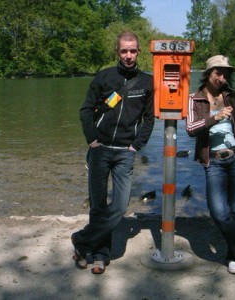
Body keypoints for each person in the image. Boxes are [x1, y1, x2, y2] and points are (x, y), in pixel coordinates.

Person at [71, 31, 154, 275]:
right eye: (124, 51)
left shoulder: (146, 82)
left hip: (124, 153)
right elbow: (86, 110)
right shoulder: (104, 77)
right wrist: (92, 139)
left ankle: (81, 240)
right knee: (98, 206)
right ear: (117, 52)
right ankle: (100, 255)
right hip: (100, 150)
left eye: (133, 50)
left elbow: (149, 118)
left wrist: (136, 145)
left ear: (139, 52)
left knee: (118, 206)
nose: (128, 55)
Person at [186, 55, 235, 274]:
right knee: (218, 211)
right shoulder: (194, 99)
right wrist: (215, 117)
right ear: (208, 73)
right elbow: (191, 128)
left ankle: (233, 256)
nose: (222, 78)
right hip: (213, 161)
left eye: (226, 74)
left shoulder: (231, 96)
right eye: (218, 72)